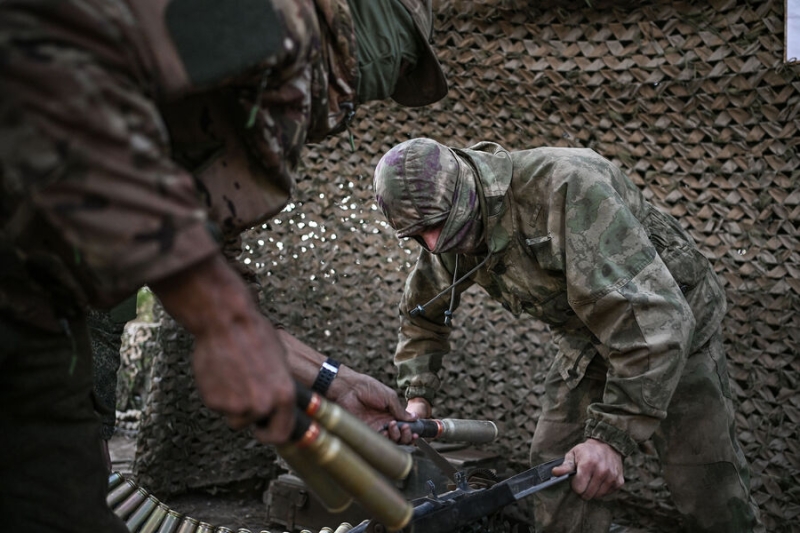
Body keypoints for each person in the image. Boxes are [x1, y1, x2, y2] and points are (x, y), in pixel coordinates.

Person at [0, 0, 446, 530]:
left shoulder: (249, 88)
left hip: (34, 302)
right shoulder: (273, 18)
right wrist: (222, 319)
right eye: (399, 60)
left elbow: (213, 262)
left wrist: (332, 383)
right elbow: (45, 71)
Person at [372, 138, 763, 532]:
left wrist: (610, 438)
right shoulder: (444, 228)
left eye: (441, 226)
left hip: (673, 327)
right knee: (556, 467)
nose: (436, 243)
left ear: (466, 193)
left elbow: (655, 319)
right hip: (588, 337)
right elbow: (421, 313)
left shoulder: (567, 186)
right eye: (421, 234)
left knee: (704, 483)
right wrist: (417, 398)